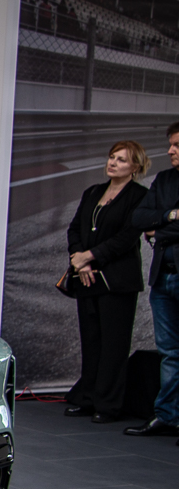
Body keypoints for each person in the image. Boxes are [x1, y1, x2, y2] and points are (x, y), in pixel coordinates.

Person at [63, 142, 150, 422]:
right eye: (112, 157)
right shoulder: (93, 192)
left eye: (122, 160)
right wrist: (80, 260)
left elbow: (127, 237)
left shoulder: (140, 196)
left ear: (135, 167)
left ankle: (108, 405)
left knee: (114, 344)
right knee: (91, 341)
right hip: (87, 277)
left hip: (117, 281)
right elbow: (75, 229)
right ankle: (87, 398)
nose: (113, 163)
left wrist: (90, 256)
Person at [127, 122, 179, 437]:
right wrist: (171, 216)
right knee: (170, 352)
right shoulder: (164, 180)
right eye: (170, 144)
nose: (170, 150)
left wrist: (159, 231)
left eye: (177, 145)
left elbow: (152, 226)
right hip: (163, 276)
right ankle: (167, 416)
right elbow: (139, 217)